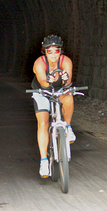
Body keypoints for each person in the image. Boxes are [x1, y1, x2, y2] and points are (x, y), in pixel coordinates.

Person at [31, 34, 75, 178]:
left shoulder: (66, 61)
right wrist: (48, 81)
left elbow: (68, 83)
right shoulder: (40, 63)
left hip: (59, 91)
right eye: (50, 51)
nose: (54, 55)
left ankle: (67, 127)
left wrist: (66, 80)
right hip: (42, 92)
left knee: (68, 98)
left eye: (57, 51)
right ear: (44, 52)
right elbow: (43, 82)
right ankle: (44, 161)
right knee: (43, 123)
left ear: (60, 51)